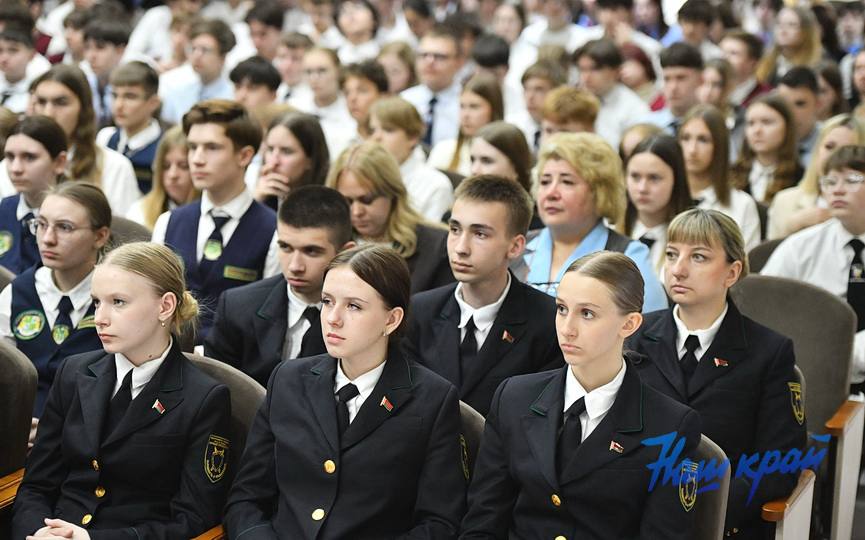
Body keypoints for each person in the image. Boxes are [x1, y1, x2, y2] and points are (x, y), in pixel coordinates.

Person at [224, 244, 466, 538]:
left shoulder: (432, 400)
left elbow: (439, 523)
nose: (332, 318)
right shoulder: (288, 380)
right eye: (327, 301)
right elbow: (246, 498)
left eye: (353, 306)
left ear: (391, 319)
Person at [460, 251, 701, 539]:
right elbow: (483, 522)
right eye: (562, 309)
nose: (567, 329)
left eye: (587, 314)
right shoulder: (514, 397)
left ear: (629, 324)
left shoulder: (670, 426)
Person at [11, 241, 232, 539]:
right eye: (96, 302)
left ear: (165, 306)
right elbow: (37, 484)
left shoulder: (203, 398)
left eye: (118, 302)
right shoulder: (74, 372)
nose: (100, 318)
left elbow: (193, 518)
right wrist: (37, 531)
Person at [626, 208, 807, 538]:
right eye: (671, 254)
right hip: (635, 515)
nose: (678, 270)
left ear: (732, 272)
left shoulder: (769, 352)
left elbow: (781, 463)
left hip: (725, 520)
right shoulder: (635, 335)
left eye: (698, 257)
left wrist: (705, 505)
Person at [404, 175, 563, 416]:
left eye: (480, 234)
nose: (460, 248)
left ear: (516, 246)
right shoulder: (420, 310)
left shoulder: (548, 321)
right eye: (455, 229)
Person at [152, 99, 277, 339]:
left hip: (236, 367)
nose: (197, 159)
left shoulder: (273, 231)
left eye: (212, 147)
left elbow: (268, 320)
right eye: (192, 147)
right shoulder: (168, 222)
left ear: (245, 155)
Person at [205, 186, 354, 386]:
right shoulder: (236, 308)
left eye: (311, 251)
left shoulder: (363, 319)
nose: (295, 266)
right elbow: (215, 394)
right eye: (285, 247)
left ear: (345, 253)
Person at [0, 182, 110, 449]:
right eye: (41, 224)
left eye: (64, 227)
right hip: (18, 434)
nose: (47, 238)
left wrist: (59, 430)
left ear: (100, 236)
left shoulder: (117, 298)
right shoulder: (17, 292)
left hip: (93, 439)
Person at [518, 132, 667, 312]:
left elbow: (651, 333)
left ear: (600, 192)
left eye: (567, 182)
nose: (551, 193)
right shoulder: (516, 247)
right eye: (545, 181)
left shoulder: (628, 255)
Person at [762, 145, 865, 390]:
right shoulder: (800, 246)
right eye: (829, 182)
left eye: (851, 180)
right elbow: (761, 306)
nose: (837, 189)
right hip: (813, 372)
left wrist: (851, 356)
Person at [326, 141, 454, 294]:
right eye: (347, 201)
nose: (356, 211)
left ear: (392, 193)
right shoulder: (327, 242)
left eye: (367, 200)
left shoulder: (436, 248)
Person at [20, 65, 141, 215]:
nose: (48, 113)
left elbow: (128, 234)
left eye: (61, 102)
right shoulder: (12, 165)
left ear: (83, 108)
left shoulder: (114, 166)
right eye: (41, 102)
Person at [768, 114, 865, 239]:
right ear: (817, 150)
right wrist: (790, 227)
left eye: (845, 149)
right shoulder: (785, 201)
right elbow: (767, 255)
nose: (835, 156)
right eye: (829, 147)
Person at [679, 105, 761, 249]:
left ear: (719, 146)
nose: (692, 149)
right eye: (686, 138)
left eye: (703, 140)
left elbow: (746, 266)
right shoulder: (663, 197)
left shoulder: (742, 205)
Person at [368, 96, 454, 221]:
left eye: (388, 130)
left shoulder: (436, 185)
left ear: (412, 137)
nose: (376, 137)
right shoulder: (362, 176)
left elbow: (432, 238)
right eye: (373, 130)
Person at [620, 133, 694, 277]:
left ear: (676, 181)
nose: (642, 188)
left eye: (654, 178)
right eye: (635, 176)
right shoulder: (607, 230)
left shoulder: (695, 239)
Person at [0, 116, 67, 274]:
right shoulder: (6, 207)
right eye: (10, 157)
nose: (15, 168)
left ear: (59, 162)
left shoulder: (74, 216)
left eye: (29, 157)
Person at [96, 61, 164, 195]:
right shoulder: (106, 137)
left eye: (130, 97)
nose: (118, 105)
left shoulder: (163, 146)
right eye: (115, 95)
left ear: (153, 103)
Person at [575, 38, 650, 149]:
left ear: (616, 71)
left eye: (594, 69)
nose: (586, 77)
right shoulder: (575, 101)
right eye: (582, 70)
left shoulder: (635, 109)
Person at [159, 18, 236, 125]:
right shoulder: (177, 92)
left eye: (205, 50)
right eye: (193, 49)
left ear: (222, 57)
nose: (196, 56)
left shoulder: (234, 97)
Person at [730, 95, 802, 205]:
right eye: (751, 123)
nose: (757, 130)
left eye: (767, 122)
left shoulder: (800, 177)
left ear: (787, 128)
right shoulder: (732, 174)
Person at [427, 72, 502, 177]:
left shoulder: (505, 156)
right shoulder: (443, 150)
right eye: (462, 106)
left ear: (494, 110)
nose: (465, 115)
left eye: (474, 107)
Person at [401, 24, 465, 146]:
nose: (429, 62)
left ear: (459, 62)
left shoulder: (468, 104)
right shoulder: (405, 100)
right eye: (423, 55)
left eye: (440, 57)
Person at [125, 126, 200, 230]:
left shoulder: (211, 214)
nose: (172, 175)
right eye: (165, 166)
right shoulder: (140, 211)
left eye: (183, 166)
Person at [252, 112, 330, 210]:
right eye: (270, 149)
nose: (274, 162)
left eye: (286, 151)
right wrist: (255, 203)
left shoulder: (328, 206)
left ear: (311, 160)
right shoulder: (257, 193)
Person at [289, 46, 357, 160]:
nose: (314, 78)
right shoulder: (294, 107)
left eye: (322, 71)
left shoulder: (352, 110)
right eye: (308, 72)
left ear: (338, 72)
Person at [642, 42, 703, 135]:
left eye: (681, 78)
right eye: (667, 79)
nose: (673, 87)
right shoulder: (646, 127)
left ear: (700, 80)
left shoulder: (715, 125)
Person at [82, 18, 131, 129]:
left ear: (120, 50)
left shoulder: (133, 84)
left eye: (100, 48)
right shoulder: (84, 82)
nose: (91, 56)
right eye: (87, 47)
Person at [755, 6, 822, 86]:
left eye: (791, 25)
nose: (783, 30)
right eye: (779, 23)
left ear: (806, 31)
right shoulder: (768, 62)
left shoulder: (815, 67)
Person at [777, 66, 821, 167]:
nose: (791, 112)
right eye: (784, 104)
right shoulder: (768, 143)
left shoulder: (830, 142)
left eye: (800, 104)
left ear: (817, 104)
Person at [343, 60, 388, 139]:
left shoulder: (396, 140)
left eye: (362, 91)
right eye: (347, 92)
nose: (352, 98)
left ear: (382, 96)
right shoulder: (338, 139)